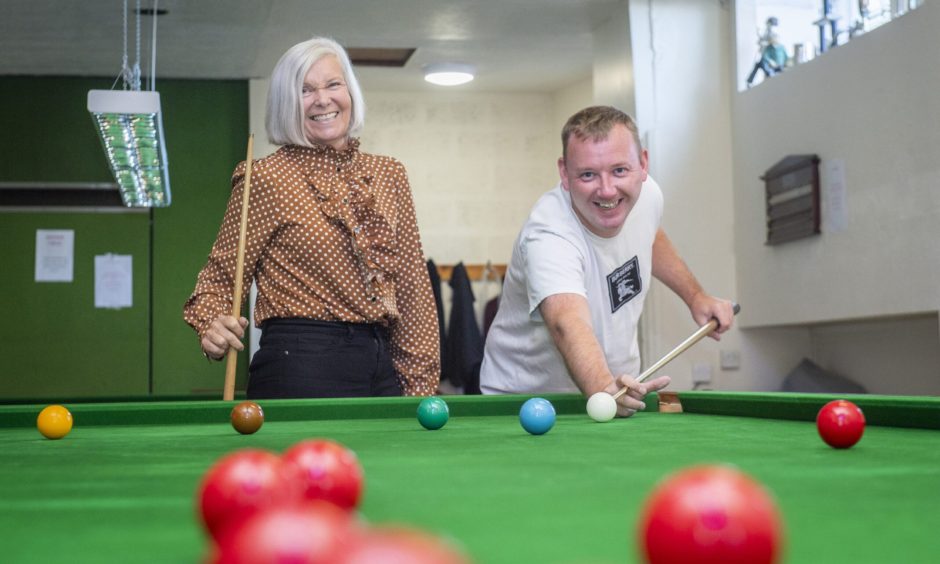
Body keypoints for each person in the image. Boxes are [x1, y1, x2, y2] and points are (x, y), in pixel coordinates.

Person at [183, 37, 439, 399]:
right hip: (301, 365)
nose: (322, 99)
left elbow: (413, 291)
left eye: (333, 84)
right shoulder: (266, 177)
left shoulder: (389, 174)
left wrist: (420, 388)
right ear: (287, 103)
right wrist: (211, 325)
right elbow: (219, 280)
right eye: (305, 90)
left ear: (349, 91)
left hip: (382, 368)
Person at [479, 106, 734, 417]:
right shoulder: (548, 235)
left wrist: (695, 296)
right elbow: (566, 322)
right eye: (588, 174)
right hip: (528, 401)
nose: (607, 190)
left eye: (619, 171)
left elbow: (650, 235)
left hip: (615, 391)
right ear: (564, 173)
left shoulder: (647, 196)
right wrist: (603, 387)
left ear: (643, 163)